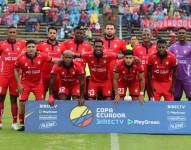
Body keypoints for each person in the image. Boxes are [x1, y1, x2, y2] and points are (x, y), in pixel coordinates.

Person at [14, 40, 60, 131]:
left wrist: (68, 61)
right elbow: (15, 69)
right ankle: (22, 123)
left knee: (40, 103)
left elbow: (54, 60)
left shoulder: (42, 55)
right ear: (26, 48)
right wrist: (19, 84)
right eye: (29, 47)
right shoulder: (20, 58)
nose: (31, 49)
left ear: (36, 48)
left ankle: (37, 122)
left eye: (33, 47)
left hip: (38, 83)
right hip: (25, 83)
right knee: (22, 102)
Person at [0, 26, 26, 130]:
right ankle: (0, 122)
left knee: (14, 99)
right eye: (10, 32)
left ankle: (14, 122)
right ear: (7, 33)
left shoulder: (22, 44)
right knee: (1, 98)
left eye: (13, 32)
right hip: (3, 76)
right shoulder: (2, 44)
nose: (12, 34)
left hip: (16, 77)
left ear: (16, 33)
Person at [37, 26, 65, 99]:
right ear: (48, 34)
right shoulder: (41, 45)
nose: (52, 34)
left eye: (54, 33)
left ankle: (56, 110)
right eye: (50, 33)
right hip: (43, 75)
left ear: (56, 34)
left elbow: (65, 58)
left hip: (56, 75)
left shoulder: (62, 46)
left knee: (56, 96)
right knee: (41, 97)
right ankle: (41, 110)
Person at [132, 28, 157, 99]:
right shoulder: (136, 48)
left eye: (148, 34)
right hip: (139, 78)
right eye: (144, 35)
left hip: (152, 79)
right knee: (138, 99)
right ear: (141, 36)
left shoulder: (156, 48)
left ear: (151, 35)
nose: (146, 36)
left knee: (153, 99)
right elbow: (130, 61)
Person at [169, 27, 191, 101]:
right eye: (180, 33)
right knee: (176, 99)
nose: (181, 34)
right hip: (176, 78)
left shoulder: (190, 46)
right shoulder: (172, 47)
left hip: (188, 78)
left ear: (186, 34)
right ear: (177, 35)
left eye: (183, 33)